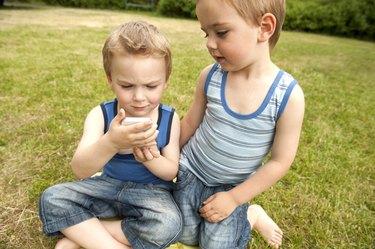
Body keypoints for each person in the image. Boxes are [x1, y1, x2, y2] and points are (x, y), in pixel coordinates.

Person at [38, 21, 182, 249]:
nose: (139, 97)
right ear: (110, 79)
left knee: (170, 224)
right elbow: (80, 170)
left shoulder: (169, 118)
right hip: (107, 187)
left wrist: (150, 158)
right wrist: (112, 141)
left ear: (165, 81)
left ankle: (85, 234)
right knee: (52, 198)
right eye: (126, 86)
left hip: (151, 194)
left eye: (151, 86)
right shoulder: (100, 115)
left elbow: (171, 172)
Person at [173, 0, 305, 249]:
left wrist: (234, 198)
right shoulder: (210, 76)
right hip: (190, 171)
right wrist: (167, 158)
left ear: (264, 27)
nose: (210, 43)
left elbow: (280, 162)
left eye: (221, 32)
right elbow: (190, 122)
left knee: (218, 244)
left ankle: (251, 215)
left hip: (233, 187)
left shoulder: (287, 96)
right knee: (181, 233)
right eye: (206, 33)